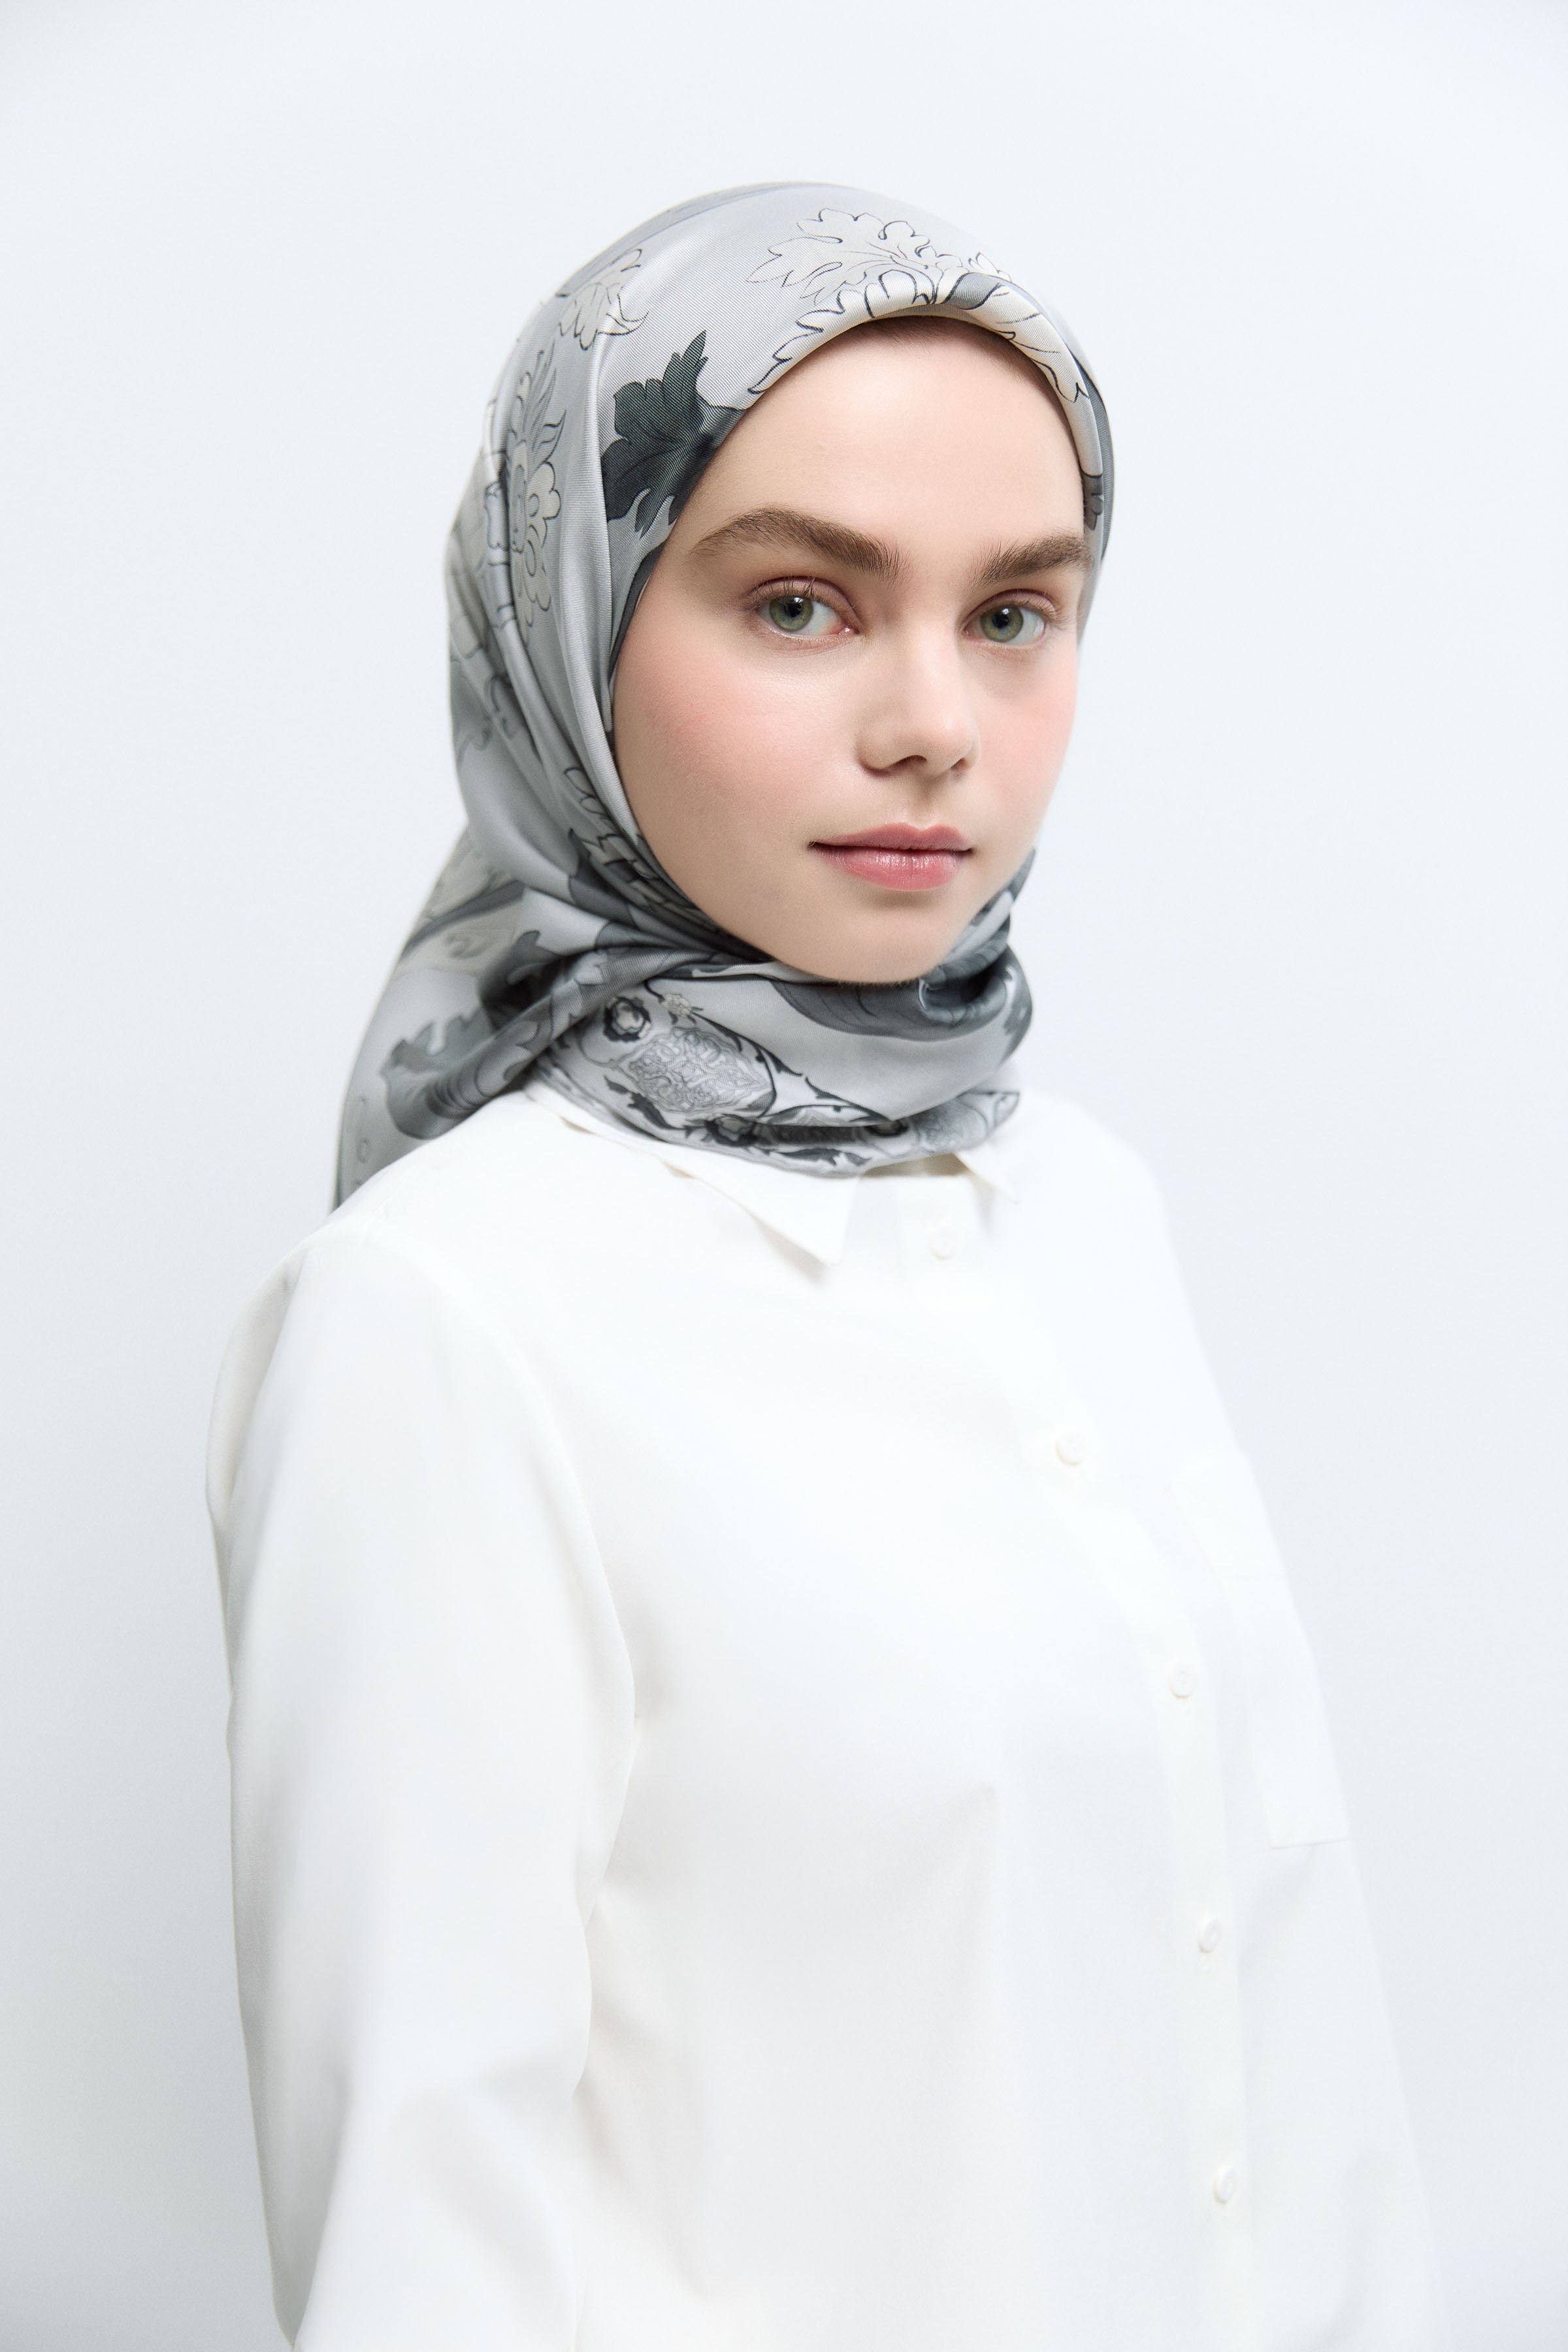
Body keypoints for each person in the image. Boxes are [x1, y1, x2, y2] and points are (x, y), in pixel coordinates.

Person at [207, 182, 1443, 2351]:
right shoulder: (443, 1317)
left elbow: (1274, 2014)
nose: (934, 723)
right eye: (800, 604)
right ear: (571, 620)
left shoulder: (1084, 1206)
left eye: (1017, 613)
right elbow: (423, 2243)